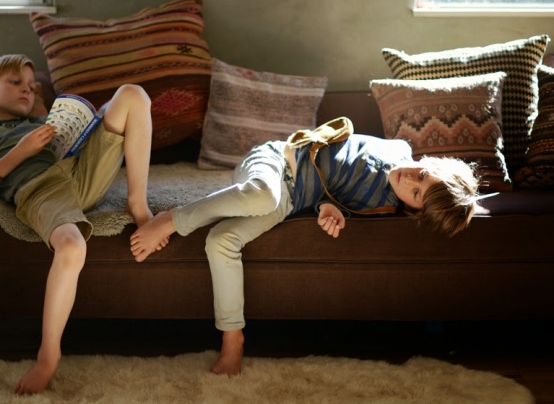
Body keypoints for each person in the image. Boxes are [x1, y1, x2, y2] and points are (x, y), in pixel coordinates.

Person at [129, 132, 479, 376]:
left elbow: (335, 197)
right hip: (275, 162)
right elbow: (336, 154)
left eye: (416, 193)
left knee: (222, 240)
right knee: (262, 195)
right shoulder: (396, 148)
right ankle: (172, 219)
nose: (409, 179)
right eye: (422, 174)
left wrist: (329, 209)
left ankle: (232, 339)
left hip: (292, 199)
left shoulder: (382, 206)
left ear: (414, 211)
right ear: (430, 161)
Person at [0, 54, 160, 395]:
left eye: (31, 86)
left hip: (77, 169)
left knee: (132, 94)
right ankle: (48, 357)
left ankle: (137, 203)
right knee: (72, 246)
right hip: (38, 188)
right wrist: (21, 151)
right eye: (15, 83)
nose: (27, 90)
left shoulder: (41, 121)